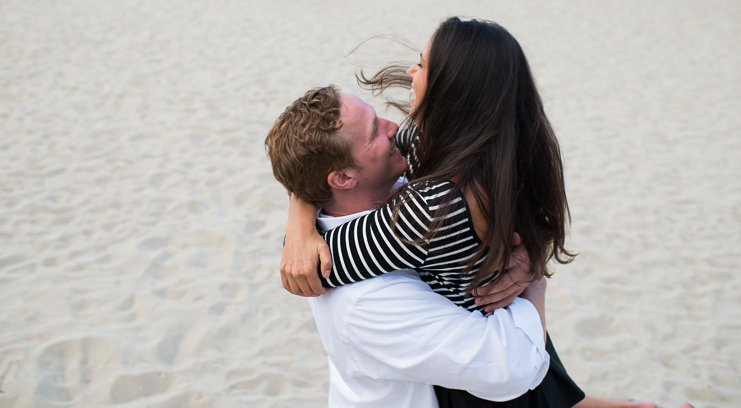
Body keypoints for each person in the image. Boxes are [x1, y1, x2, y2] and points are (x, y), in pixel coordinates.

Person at [275, 17, 692, 408]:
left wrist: (299, 222)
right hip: (499, 328)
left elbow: (319, 262)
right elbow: (323, 177)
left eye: (421, 65)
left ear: (450, 91)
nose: (409, 74)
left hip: (489, 366)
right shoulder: (471, 149)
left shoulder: (431, 208)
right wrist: (302, 202)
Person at [266, 86, 550, 407]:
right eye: (375, 130)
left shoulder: (384, 182)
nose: (393, 127)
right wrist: (534, 280)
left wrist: (300, 210)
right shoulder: (367, 300)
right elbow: (513, 368)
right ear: (344, 178)